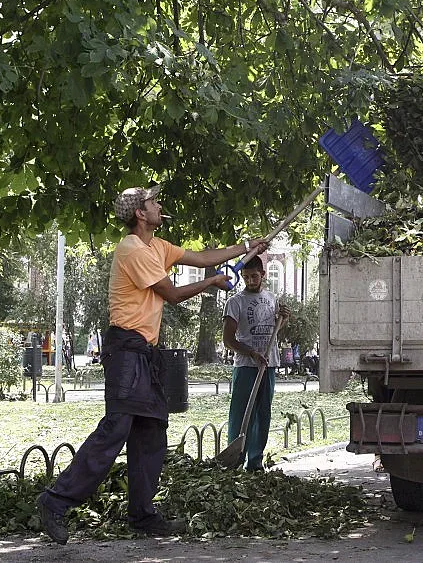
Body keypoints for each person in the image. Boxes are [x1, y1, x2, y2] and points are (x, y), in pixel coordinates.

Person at [36, 184, 267, 544]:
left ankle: (142, 515)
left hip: (145, 354)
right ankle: (54, 502)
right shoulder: (132, 249)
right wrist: (212, 283)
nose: (160, 205)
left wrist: (247, 247)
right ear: (140, 213)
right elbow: (172, 295)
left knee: (151, 433)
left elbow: (204, 256)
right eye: (153, 202)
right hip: (126, 351)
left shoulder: (159, 246)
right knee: (116, 429)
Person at [222, 257, 290, 471]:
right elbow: (228, 340)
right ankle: (235, 461)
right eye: (246, 277)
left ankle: (255, 463)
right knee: (241, 414)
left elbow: (275, 330)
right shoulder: (235, 302)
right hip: (246, 367)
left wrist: (284, 319)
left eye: (254, 276)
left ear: (263, 274)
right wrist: (251, 353)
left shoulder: (272, 298)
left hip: (268, 365)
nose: (250, 281)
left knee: (262, 414)